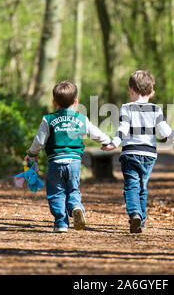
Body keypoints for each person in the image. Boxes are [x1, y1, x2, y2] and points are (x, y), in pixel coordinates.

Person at [102, 70, 174, 233]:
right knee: (142, 186)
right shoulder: (156, 109)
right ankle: (141, 221)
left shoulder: (126, 108)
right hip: (149, 155)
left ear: (130, 90)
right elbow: (165, 132)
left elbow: (122, 129)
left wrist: (114, 143)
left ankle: (135, 214)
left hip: (130, 153)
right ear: (152, 93)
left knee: (131, 185)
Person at [25, 81, 111, 233]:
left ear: (53, 102)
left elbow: (39, 140)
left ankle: (61, 223)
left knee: (56, 192)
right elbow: (95, 133)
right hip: (74, 162)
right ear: (76, 102)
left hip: (55, 162)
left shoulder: (48, 119)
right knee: (73, 189)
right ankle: (76, 207)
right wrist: (107, 142)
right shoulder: (81, 119)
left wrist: (32, 154)